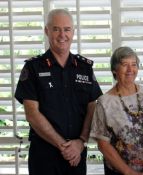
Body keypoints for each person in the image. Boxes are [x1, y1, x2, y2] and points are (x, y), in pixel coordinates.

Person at [14, 9, 102, 175]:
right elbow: (32, 114)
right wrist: (63, 146)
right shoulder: (33, 68)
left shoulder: (85, 68)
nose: (62, 35)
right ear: (47, 31)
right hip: (44, 155)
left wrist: (81, 141)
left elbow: (93, 108)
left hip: (77, 154)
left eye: (67, 29)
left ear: (73, 32)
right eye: (56, 29)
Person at [90, 46, 143, 175]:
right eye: (125, 65)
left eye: (134, 64)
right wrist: (128, 172)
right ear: (114, 70)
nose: (130, 70)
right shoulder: (104, 102)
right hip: (119, 172)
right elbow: (103, 144)